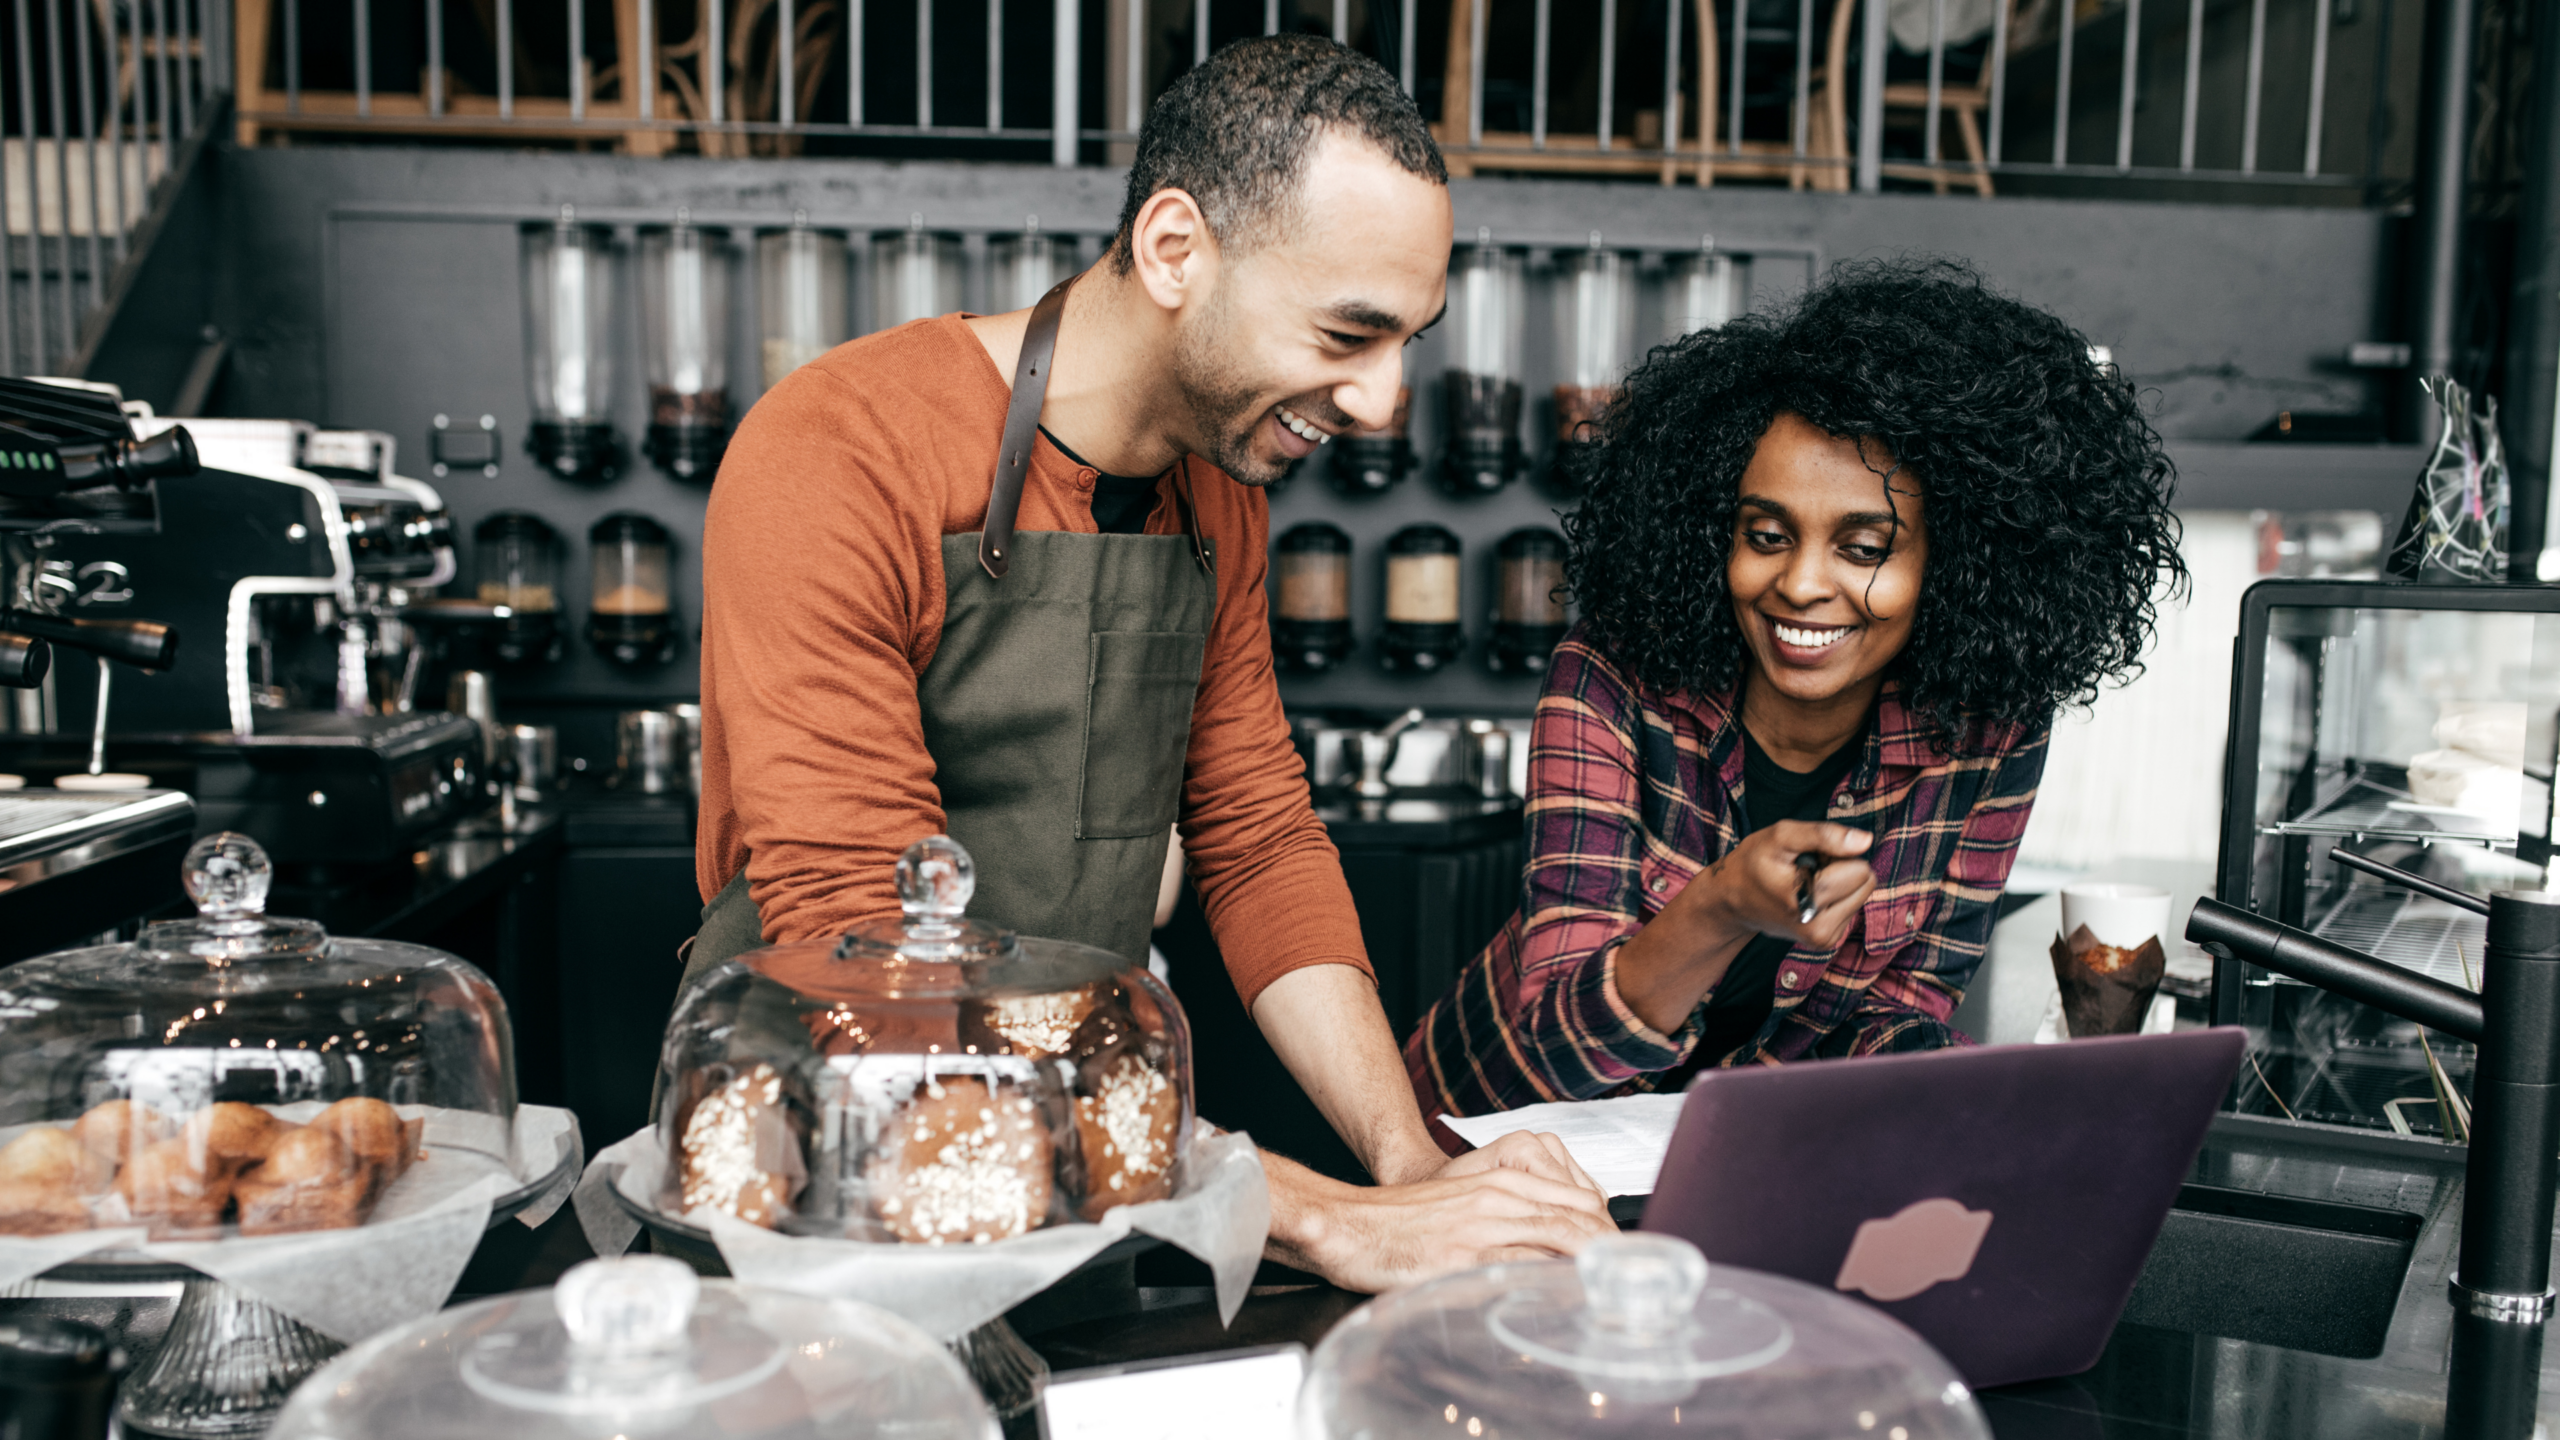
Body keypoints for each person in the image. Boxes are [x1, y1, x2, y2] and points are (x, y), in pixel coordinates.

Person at [694, 34, 1611, 1288]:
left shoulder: (1217, 491)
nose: (1386, 402)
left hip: (1092, 1180)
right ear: (1176, 249)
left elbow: (1255, 835)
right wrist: (1319, 1215)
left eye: (1407, 340)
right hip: (826, 1179)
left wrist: (1411, 1167)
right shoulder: (842, 448)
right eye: (1349, 332)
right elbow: (873, 963)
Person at [1405, 258, 2187, 1129]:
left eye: (1864, 548)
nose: (1801, 584)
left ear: (1958, 564)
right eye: (1766, 534)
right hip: (1481, 1141)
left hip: (1731, 1156)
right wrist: (1726, 904)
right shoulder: (1610, 678)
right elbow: (1556, 1042)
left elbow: (1901, 1009)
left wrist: (1997, 1095)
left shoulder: (1988, 728)